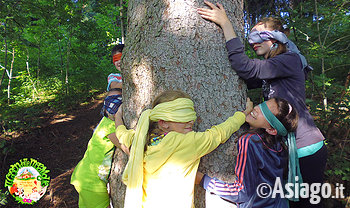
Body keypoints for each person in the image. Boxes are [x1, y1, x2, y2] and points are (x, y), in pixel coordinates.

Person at [198, 2, 327, 207]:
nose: (253, 42)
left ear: (277, 38)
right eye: (251, 37)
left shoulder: (289, 60)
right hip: (287, 148)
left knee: (307, 204)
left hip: (306, 149)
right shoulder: (274, 68)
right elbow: (248, 78)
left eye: (260, 35)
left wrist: (225, 24)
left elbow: (246, 68)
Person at [113, 90, 253, 208]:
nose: (191, 121)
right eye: (183, 117)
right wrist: (242, 115)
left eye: (191, 115)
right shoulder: (185, 143)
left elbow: (122, 135)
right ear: (163, 123)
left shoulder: (140, 140)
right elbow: (217, 135)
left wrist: (117, 117)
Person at [196, 97, 298, 208]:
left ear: (272, 130)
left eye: (266, 113)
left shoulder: (249, 141)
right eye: (262, 104)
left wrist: (203, 180)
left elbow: (241, 192)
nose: (257, 108)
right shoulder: (282, 144)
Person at [70, 44, 128, 208]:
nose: (119, 61)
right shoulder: (110, 126)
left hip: (88, 178)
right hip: (91, 182)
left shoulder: (107, 124)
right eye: (115, 58)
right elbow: (128, 149)